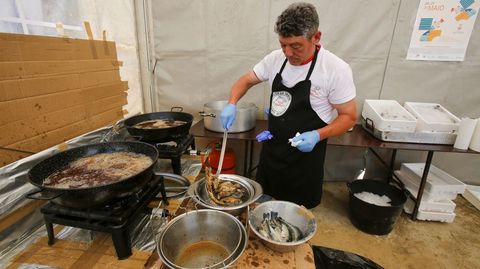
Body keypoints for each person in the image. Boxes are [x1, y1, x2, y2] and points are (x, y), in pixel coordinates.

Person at [220, 2, 357, 209]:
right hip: (272, 153)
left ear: (316, 37)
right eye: (283, 45)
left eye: (296, 46)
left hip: (305, 161)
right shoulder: (275, 60)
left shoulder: (335, 69)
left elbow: (349, 117)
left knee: (295, 217)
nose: (288, 52)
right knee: (262, 208)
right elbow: (246, 81)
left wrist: (317, 135)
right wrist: (231, 103)